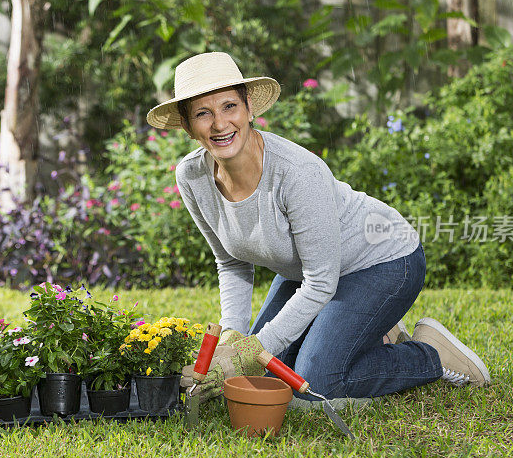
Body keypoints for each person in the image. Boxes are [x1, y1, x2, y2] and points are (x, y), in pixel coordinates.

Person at [146, 52, 491, 405]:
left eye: (229, 106)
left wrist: (256, 348)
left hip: (383, 259)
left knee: (317, 382)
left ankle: (430, 355)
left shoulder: (297, 172)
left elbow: (321, 281)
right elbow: (231, 263)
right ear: (188, 126)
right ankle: (373, 330)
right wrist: (234, 339)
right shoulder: (192, 176)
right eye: (203, 113)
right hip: (311, 269)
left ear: (249, 109)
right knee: (269, 376)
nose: (220, 124)